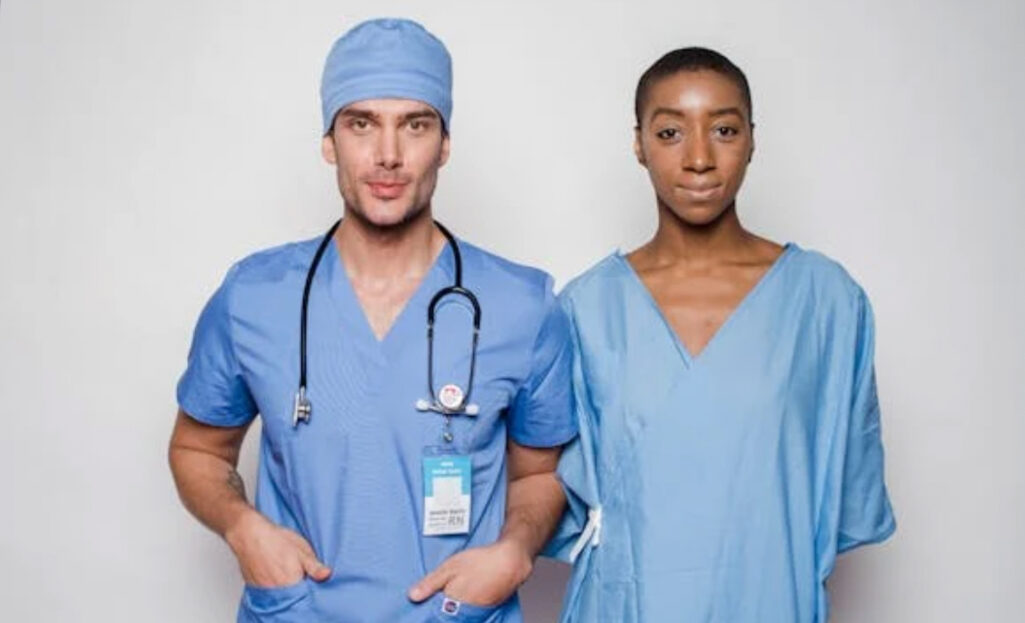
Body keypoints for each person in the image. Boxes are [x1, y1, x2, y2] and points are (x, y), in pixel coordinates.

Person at [168, 18, 576, 623]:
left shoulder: (523, 305)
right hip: (299, 611)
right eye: (362, 124)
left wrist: (515, 551)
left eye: (415, 125)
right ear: (330, 141)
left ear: (444, 143)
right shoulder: (254, 296)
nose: (388, 154)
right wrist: (243, 527)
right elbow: (197, 448)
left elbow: (541, 474)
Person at [547, 47, 896, 622]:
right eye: (670, 133)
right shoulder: (585, 309)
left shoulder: (825, 302)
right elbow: (551, 493)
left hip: (768, 602)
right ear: (638, 144)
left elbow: (847, 500)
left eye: (724, 129)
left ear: (753, 139)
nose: (700, 159)